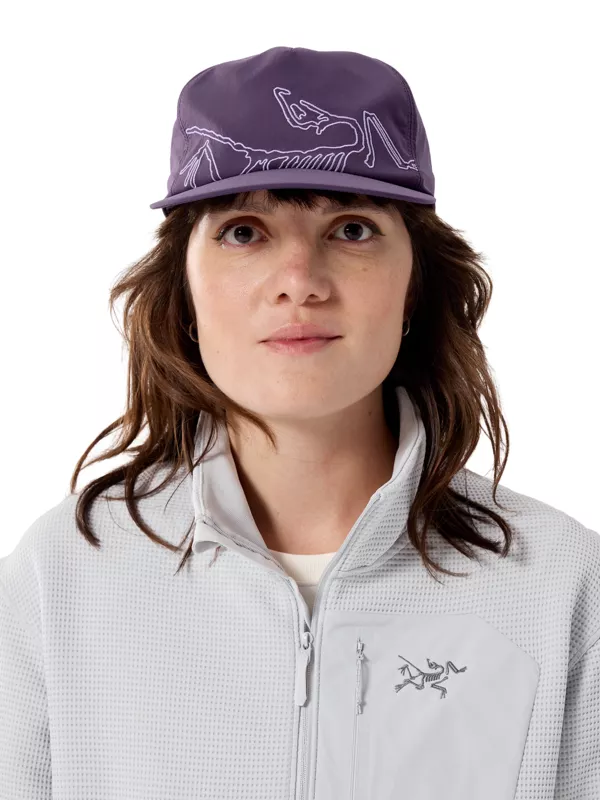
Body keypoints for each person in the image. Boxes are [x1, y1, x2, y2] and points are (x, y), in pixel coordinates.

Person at [1, 45, 598, 800]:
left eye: (351, 229)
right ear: (184, 287)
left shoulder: (560, 586)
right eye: (244, 232)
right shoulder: (60, 579)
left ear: (414, 285)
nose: (299, 283)